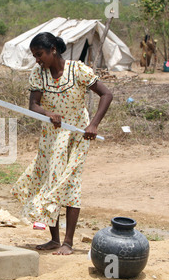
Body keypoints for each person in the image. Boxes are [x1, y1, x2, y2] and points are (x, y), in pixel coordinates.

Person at [11, 32, 113, 255]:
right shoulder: (39, 73)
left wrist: (93, 125)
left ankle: (68, 242)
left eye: (40, 55)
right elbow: (33, 105)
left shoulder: (78, 70)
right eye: (35, 56)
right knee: (51, 181)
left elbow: (106, 94)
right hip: (51, 135)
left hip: (77, 134)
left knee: (70, 181)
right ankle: (54, 239)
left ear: (53, 50)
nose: (37, 60)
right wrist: (49, 113)